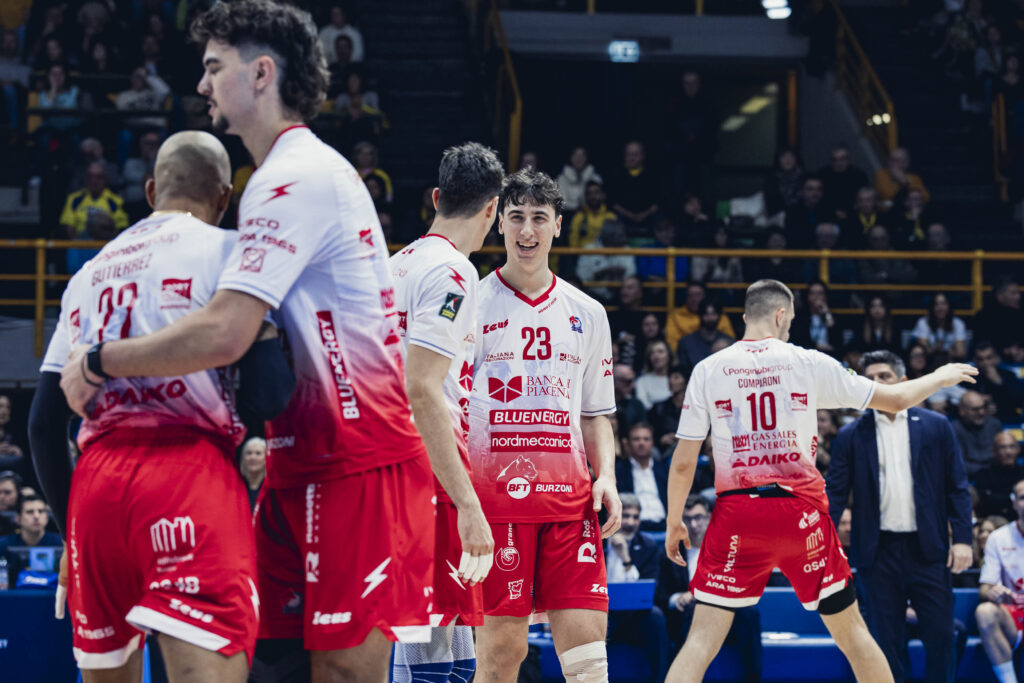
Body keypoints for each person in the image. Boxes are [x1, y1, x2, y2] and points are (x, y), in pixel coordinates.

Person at [56, 3, 436, 679]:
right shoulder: (274, 179)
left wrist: (98, 360)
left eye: (213, 67)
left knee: (343, 673)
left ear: (261, 74)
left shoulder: (294, 176)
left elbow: (227, 332)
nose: (202, 84)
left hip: (356, 456)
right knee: (269, 666)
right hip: (296, 455)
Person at [32, 130, 297, 679]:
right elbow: (269, 395)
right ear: (224, 198)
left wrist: (70, 535)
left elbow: (41, 425)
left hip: (96, 494)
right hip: (188, 477)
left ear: (152, 190)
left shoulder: (86, 275)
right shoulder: (231, 253)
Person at [663, 278, 978, 683]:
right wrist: (941, 376)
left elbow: (684, 462)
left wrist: (674, 521)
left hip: (738, 513)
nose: (790, 328)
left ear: (745, 317)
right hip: (800, 513)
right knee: (854, 636)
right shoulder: (808, 362)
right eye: (791, 320)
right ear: (781, 315)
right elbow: (897, 399)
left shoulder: (708, 369)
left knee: (700, 642)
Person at [468, 168, 622, 682]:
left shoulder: (589, 312)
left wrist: (607, 477)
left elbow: (596, 413)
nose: (527, 230)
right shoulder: (472, 304)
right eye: (516, 217)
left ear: (558, 225)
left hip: (569, 505)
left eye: (539, 217)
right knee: (501, 655)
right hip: (496, 506)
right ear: (499, 223)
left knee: (589, 658)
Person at [389, 143, 504, 682]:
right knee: (427, 636)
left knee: (452, 648)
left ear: (437, 198)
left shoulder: (395, 265)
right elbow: (422, 387)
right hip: (426, 467)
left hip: (396, 460)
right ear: (493, 210)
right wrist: (467, 501)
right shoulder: (455, 272)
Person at [826, 349, 973, 682]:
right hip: (877, 553)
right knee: (886, 640)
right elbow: (835, 494)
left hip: (928, 549)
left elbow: (957, 487)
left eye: (885, 377)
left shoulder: (937, 426)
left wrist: (963, 539)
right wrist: (825, 545)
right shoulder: (851, 435)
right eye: (870, 379)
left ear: (904, 381)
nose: (877, 383)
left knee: (941, 636)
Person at [655, 495, 762, 682]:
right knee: (693, 610)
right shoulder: (670, 552)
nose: (694, 524)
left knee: (749, 613)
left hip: (725, 616)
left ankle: (753, 678)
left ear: (709, 517)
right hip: (687, 618)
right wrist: (678, 598)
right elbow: (659, 595)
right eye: (688, 519)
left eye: (698, 517)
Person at [605, 493, 671, 680]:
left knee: (655, 617)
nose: (630, 523)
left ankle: (663, 679)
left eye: (635, 517)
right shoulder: (595, 542)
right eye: (625, 516)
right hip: (602, 615)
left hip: (634, 617)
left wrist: (625, 558)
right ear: (612, 516)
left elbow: (649, 589)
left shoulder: (649, 547)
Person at [975, 479, 1024, 683]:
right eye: (1023, 497)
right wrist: (993, 592)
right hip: (1013, 613)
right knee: (985, 611)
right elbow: (985, 588)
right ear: (1014, 503)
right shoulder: (998, 537)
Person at [0, 494, 63, 588]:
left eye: (41, 511)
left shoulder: (61, 544)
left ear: (46, 517)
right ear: (18, 518)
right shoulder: (4, 545)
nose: (36, 516)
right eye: (30, 512)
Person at [615, 423, 669, 531]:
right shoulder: (618, 471)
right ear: (628, 444)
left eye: (646, 439)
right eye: (636, 439)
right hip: (633, 528)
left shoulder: (664, 469)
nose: (641, 443)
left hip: (665, 527)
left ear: (652, 443)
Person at [665, 282, 736, 352]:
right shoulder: (675, 316)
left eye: (697, 295)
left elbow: (731, 341)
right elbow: (672, 344)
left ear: (704, 295)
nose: (694, 299)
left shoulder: (719, 315)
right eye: (690, 295)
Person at [608, 140, 660, 231]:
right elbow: (612, 202)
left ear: (643, 156)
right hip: (622, 216)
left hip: (648, 216)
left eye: (636, 154)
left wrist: (643, 215)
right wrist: (631, 215)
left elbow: (658, 202)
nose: (632, 158)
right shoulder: (615, 174)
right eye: (629, 154)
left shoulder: (653, 174)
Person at [970, 341, 1024, 422]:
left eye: (989, 358)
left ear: (996, 358)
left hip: (1007, 420)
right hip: (979, 421)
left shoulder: (1008, 375)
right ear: (975, 361)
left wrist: (999, 381)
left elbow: (1019, 397)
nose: (985, 363)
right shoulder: (971, 378)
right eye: (980, 359)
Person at [954, 390, 1003, 477]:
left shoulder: (994, 424)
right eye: (975, 409)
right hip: (969, 477)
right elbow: (958, 463)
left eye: (983, 407)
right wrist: (984, 472)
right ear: (962, 410)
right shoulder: (954, 429)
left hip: (996, 474)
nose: (981, 412)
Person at [976, 431, 1024, 519]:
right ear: (994, 451)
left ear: (1018, 449)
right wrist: (1013, 499)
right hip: (995, 519)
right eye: (1002, 447)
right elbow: (986, 501)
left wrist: (1002, 499)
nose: (1008, 451)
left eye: (1012, 446)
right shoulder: (984, 474)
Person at [676, 299, 734, 373]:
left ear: (719, 315)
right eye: (706, 314)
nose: (710, 318)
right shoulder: (686, 342)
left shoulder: (729, 343)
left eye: (714, 314)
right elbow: (682, 371)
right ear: (700, 315)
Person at [912, 292, 968, 361]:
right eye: (936, 304)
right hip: (929, 363)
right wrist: (936, 348)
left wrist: (945, 353)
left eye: (944, 304)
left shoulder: (958, 323)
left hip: (951, 362)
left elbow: (961, 353)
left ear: (949, 306)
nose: (940, 308)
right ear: (932, 307)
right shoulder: (923, 323)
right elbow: (923, 352)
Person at [817, 144, 868, 220]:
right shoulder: (822, 175)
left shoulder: (859, 176)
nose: (839, 163)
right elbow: (818, 198)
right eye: (835, 159)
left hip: (855, 215)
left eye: (843, 159)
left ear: (849, 160)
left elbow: (865, 198)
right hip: (827, 215)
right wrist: (834, 211)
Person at [874, 147, 930, 211]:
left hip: (909, 211)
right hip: (888, 208)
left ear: (906, 163)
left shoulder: (914, 178)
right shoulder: (882, 174)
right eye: (891, 160)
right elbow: (887, 195)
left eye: (896, 160)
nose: (892, 163)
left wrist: (905, 182)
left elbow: (926, 198)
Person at [567, 180, 617, 249]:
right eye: (589, 193)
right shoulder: (579, 217)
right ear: (585, 196)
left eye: (596, 192)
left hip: (605, 253)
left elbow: (616, 240)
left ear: (603, 195)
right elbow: (573, 241)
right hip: (584, 253)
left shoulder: (610, 216)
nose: (593, 196)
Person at [648, 366, 688, 452]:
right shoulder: (658, 407)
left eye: (676, 377)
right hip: (663, 450)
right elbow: (651, 432)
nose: (671, 380)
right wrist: (661, 439)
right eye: (669, 377)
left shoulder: (694, 407)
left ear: (686, 381)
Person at [557, 146, 602, 214]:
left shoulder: (595, 178)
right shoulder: (561, 179)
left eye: (582, 155)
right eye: (575, 155)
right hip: (568, 215)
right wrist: (578, 207)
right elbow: (562, 202)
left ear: (587, 158)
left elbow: (600, 199)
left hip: (593, 214)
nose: (579, 158)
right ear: (570, 157)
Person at [636, 339, 674, 410]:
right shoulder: (642, 381)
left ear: (669, 355)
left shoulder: (678, 379)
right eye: (652, 353)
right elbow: (643, 406)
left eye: (660, 351)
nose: (656, 356)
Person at [614, 363, 647, 435]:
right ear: (614, 380)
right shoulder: (602, 404)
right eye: (628, 381)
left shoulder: (637, 405)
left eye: (634, 380)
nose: (633, 386)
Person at [240, 436, 266, 512]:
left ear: (266, 458)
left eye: (258, 453)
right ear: (243, 458)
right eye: (249, 453)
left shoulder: (272, 488)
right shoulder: (235, 485)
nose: (253, 457)